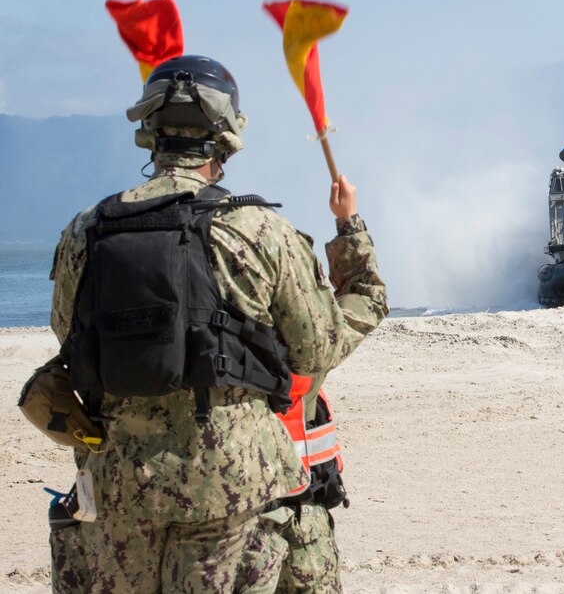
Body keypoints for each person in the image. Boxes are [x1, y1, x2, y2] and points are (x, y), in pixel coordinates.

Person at [47, 55, 387, 592]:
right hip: (232, 489)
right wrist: (350, 228)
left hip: (119, 488)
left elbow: (68, 335)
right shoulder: (259, 231)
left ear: (150, 132)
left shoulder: (84, 233)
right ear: (226, 136)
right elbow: (316, 350)